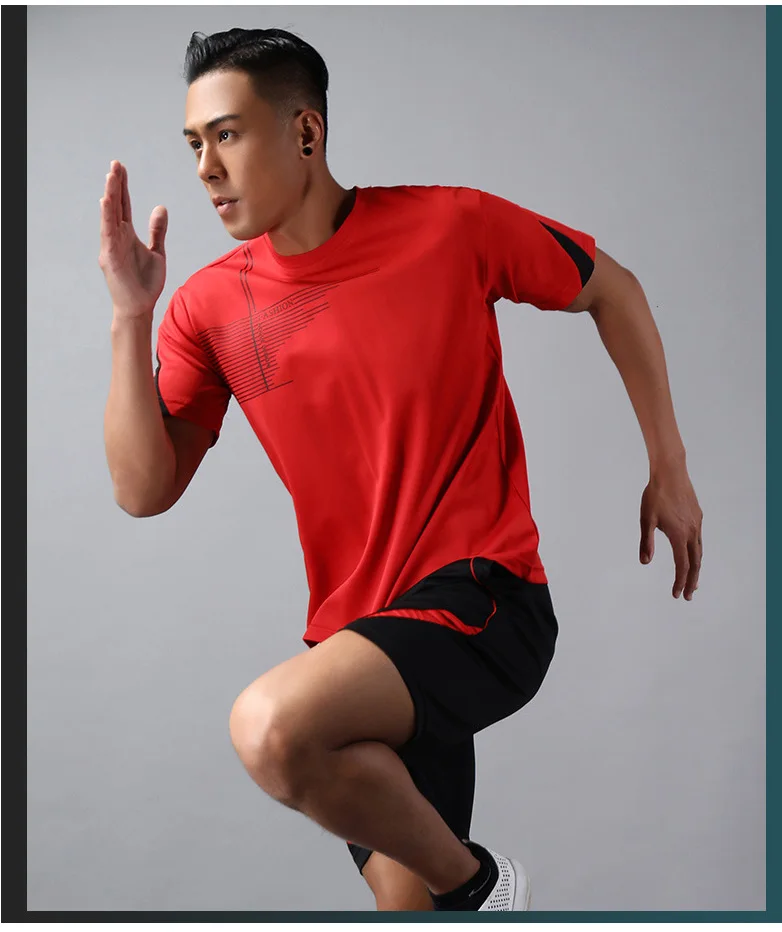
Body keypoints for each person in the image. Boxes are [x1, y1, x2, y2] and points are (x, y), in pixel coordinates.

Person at [99, 27, 704, 912]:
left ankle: (484, 887)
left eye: (226, 134)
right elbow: (142, 490)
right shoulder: (209, 308)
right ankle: (472, 894)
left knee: (270, 728)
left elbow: (612, 288)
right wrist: (130, 317)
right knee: (405, 912)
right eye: (194, 144)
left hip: (482, 601)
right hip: (356, 640)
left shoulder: (448, 227)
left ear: (306, 132)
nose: (205, 168)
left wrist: (669, 467)